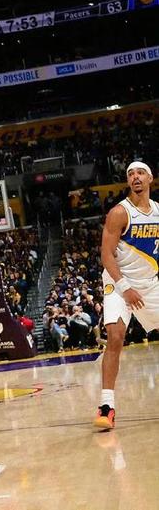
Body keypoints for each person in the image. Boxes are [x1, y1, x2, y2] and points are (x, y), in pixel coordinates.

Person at [94, 161, 159, 430]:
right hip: (118, 282)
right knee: (115, 337)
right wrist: (124, 288)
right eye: (131, 174)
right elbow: (106, 254)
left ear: (150, 179)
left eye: (140, 173)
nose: (135, 177)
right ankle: (106, 406)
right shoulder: (119, 212)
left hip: (148, 284)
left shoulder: (158, 212)